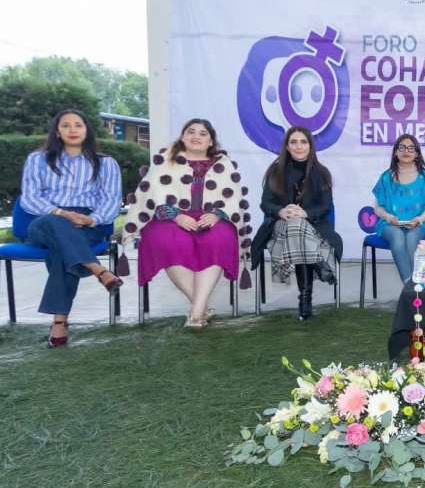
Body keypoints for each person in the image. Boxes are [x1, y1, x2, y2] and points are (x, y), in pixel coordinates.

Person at [121, 119, 252, 328]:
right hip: (172, 217)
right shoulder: (165, 160)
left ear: (211, 141)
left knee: (219, 238)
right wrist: (175, 215)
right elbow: (153, 193)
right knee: (166, 240)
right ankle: (201, 308)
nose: (196, 136)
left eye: (203, 133)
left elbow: (233, 197)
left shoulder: (224, 163)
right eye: (191, 132)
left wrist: (217, 214)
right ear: (183, 137)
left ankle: (196, 313)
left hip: (212, 217)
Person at [19, 110, 123, 347]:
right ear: (57, 132)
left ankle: (59, 322)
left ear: (87, 130)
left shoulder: (106, 163)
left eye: (78, 125)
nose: (73, 130)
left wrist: (92, 220)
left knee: (62, 250)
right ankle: (98, 269)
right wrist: (61, 213)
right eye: (66, 125)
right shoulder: (38, 159)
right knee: (57, 225)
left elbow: (111, 200)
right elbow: (30, 197)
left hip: (87, 223)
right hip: (45, 220)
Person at [251, 126, 342, 321]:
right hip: (280, 228)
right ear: (287, 146)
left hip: (313, 228)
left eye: (303, 142)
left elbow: (326, 206)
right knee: (295, 225)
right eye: (293, 142)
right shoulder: (275, 171)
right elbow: (266, 203)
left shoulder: (322, 173)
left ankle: (304, 301)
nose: (298, 146)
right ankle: (317, 266)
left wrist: (305, 213)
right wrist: (281, 211)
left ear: (310, 146)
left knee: (298, 225)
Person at [371, 134, 425, 282]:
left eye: (411, 148)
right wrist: (388, 217)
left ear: (417, 154)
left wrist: (419, 219)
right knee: (397, 236)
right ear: (395, 152)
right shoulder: (386, 177)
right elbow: (378, 208)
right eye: (402, 147)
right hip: (390, 224)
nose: (406, 151)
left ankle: (413, 287)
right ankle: (412, 287)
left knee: (411, 237)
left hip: (420, 224)